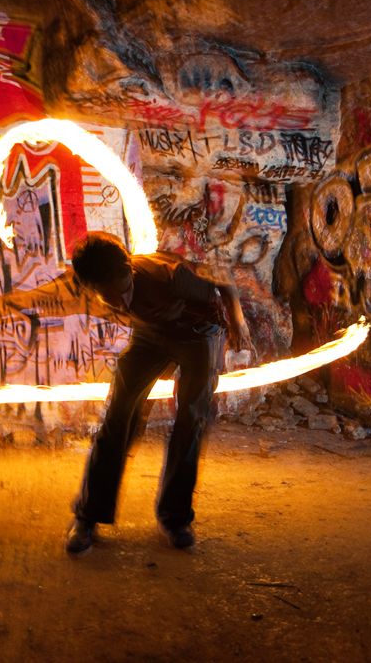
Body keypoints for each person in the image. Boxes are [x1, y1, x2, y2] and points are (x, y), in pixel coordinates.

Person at [64, 232, 252, 554]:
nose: (121, 303)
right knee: (118, 417)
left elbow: (223, 279)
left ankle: (175, 519)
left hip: (199, 334)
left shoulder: (171, 277)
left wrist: (237, 322)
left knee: (191, 419)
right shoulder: (95, 280)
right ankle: (88, 516)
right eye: (109, 297)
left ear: (129, 270)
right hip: (151, 335)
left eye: (124, 291)